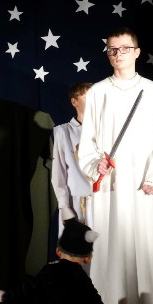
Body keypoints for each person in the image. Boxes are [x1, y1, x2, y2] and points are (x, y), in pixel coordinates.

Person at [77, 26, 153, 304]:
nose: (118, 54)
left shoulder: (152, 91)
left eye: (125, 49)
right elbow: (88, 141)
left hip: (143, 186)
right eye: (112, 49)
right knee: (110, 252)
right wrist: (96, 164)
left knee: (144, 250)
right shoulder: (97, 92)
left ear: (137, 52)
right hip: (109, 186)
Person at [50, 82, 93, 266]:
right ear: (74, 102)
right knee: (76, 257)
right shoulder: (63, 132)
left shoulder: (105, 131)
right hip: (77, 205)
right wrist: (64, 206)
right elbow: (58, 172)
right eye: (86, 96)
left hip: (102, 204)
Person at [25, 217, 105, 304]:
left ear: (58, 251)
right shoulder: (82, 280)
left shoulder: (48, 269)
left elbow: (30, 293)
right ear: (88, 258)